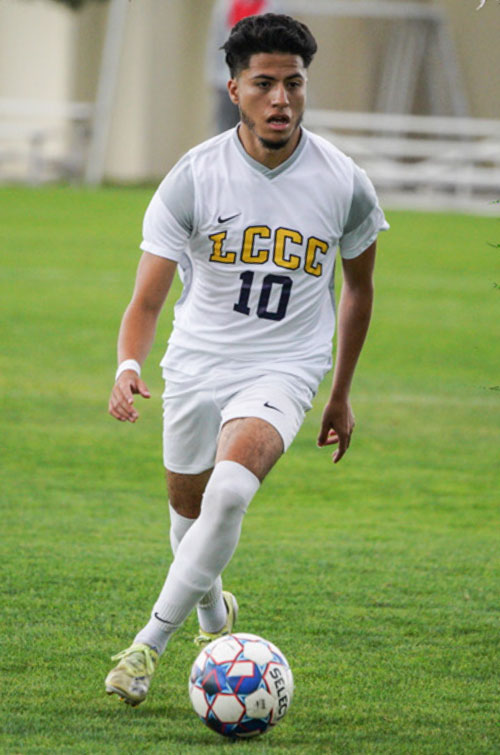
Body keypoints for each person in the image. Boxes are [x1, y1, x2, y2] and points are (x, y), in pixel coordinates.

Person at [105, 13, 389, 706]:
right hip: (199, 362)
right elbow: (147, 297)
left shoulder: (344, 181)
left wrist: (340, 392)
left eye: (294, 84)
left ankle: (147, 645)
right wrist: (127, 364)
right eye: (264, 84)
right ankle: (213, 613)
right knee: (187, 510)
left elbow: (357, 290)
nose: (282, 100)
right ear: (234, 89)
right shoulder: (193, 178)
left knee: (230, 493)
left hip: (285, 365)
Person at [207, 0, 283, 132]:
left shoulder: (274, 6)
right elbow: (216, 43)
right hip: (226, 81)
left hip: (260, 82)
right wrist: (214, 77)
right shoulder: (226, 6)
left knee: (257, 128)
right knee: (224, 130)